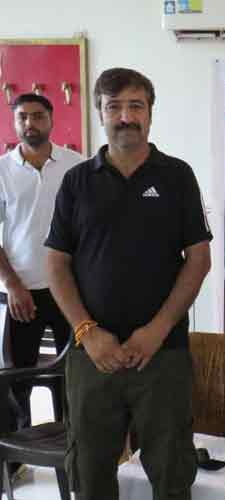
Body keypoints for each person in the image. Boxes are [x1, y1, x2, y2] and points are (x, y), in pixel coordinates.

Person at [45, 67, 212, 500]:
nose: (125, 116)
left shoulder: (177, 176)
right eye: (114, 106)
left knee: (172, 476)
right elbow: (56, 264)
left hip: (162, 356)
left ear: (150, 113)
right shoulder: (77, 181)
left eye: (136, 106)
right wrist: (87, 332)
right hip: (91, 357)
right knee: (90, 477)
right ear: (100, 113)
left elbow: (198, 260)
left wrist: (157, 330)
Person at [0, 93, 82, 432]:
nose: (29, 123)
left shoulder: (76, 165)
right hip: (23, 294)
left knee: (75, 376)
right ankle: (19, 451)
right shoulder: (2, 170)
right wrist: (12, 284)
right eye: (22, 117)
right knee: (17, 381)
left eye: (37, 116)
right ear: (14, 122)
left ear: (51, 119)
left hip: (70, 290)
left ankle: (73, 446)